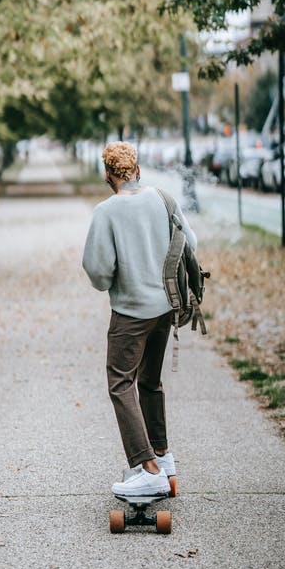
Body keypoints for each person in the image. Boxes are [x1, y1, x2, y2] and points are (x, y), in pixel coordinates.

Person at [82, 141, 197, 497]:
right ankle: (162, 456)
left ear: (108, 176)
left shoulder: (106, 212)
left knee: (120, 383)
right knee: (149, 381)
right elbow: (189, 243)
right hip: (165, 310)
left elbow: (99, 272)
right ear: (137, 170)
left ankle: (146, 468)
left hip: (130, 314)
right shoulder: (164, 199)